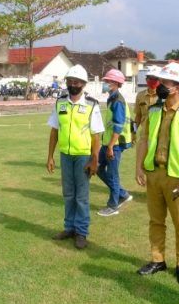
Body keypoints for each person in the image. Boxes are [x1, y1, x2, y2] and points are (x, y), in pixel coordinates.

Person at [134, 62, 179, 285]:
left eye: (165, 83)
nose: (160, 86)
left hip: (178, 177)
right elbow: (144, 139)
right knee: (156, 221)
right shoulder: (154, 110)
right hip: (155, 174)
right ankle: (158, 260)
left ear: (178, 87)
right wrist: (138, 166)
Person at [47, 65, 104, 250]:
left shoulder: (91, 105)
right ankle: (69, 227)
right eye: (70, 81)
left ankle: (81, 232)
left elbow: (96, 135)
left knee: (82, 196)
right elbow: (54, 131)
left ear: (84, 84)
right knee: (68, 194)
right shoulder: (60, 102)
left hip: (82, 157)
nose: (73, 85)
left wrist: (94, 159)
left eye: (77, 82)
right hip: (65, 155)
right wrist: (50, 157)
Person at [96, 69, 133, 216]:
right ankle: (122, 194)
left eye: (108, 81)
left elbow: (118, 125)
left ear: (116, 83)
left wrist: (111, 146)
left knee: (112, 174)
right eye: (106, 81)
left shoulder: (117, 100)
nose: (105, 83)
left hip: (115, 144)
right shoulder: (112, 98)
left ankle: (113, 205)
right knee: (97, 168)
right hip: (109, 142)